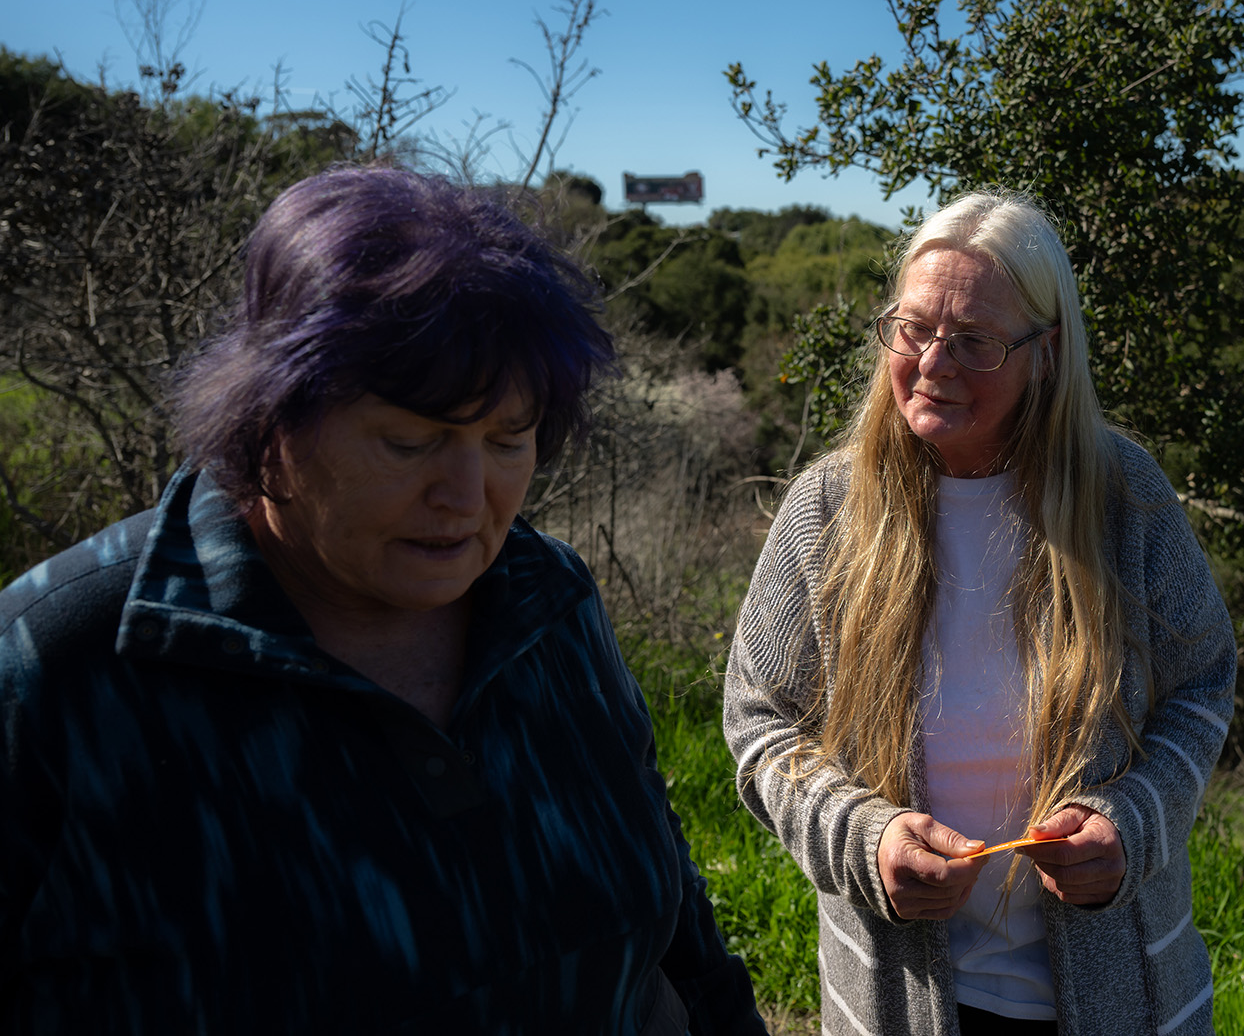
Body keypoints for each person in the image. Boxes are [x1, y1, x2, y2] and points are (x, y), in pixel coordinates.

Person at [0, 166, 765, 1035]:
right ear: (270, 420)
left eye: (508, 440)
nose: (468, 494)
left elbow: (676, 918)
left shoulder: (546, 596)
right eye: (410, 441)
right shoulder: (59, 662)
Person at [724, 191, 1235, 1036]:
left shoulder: (1125, 499)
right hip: (897, 1003)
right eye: (913, 328)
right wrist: (865, 841)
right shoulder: (827, 510)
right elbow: (760, 722)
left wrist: (1131, 824)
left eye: (975, 341)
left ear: (1047, 350)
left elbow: (1205, 683)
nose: (933, 362)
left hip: (1122, 1005)